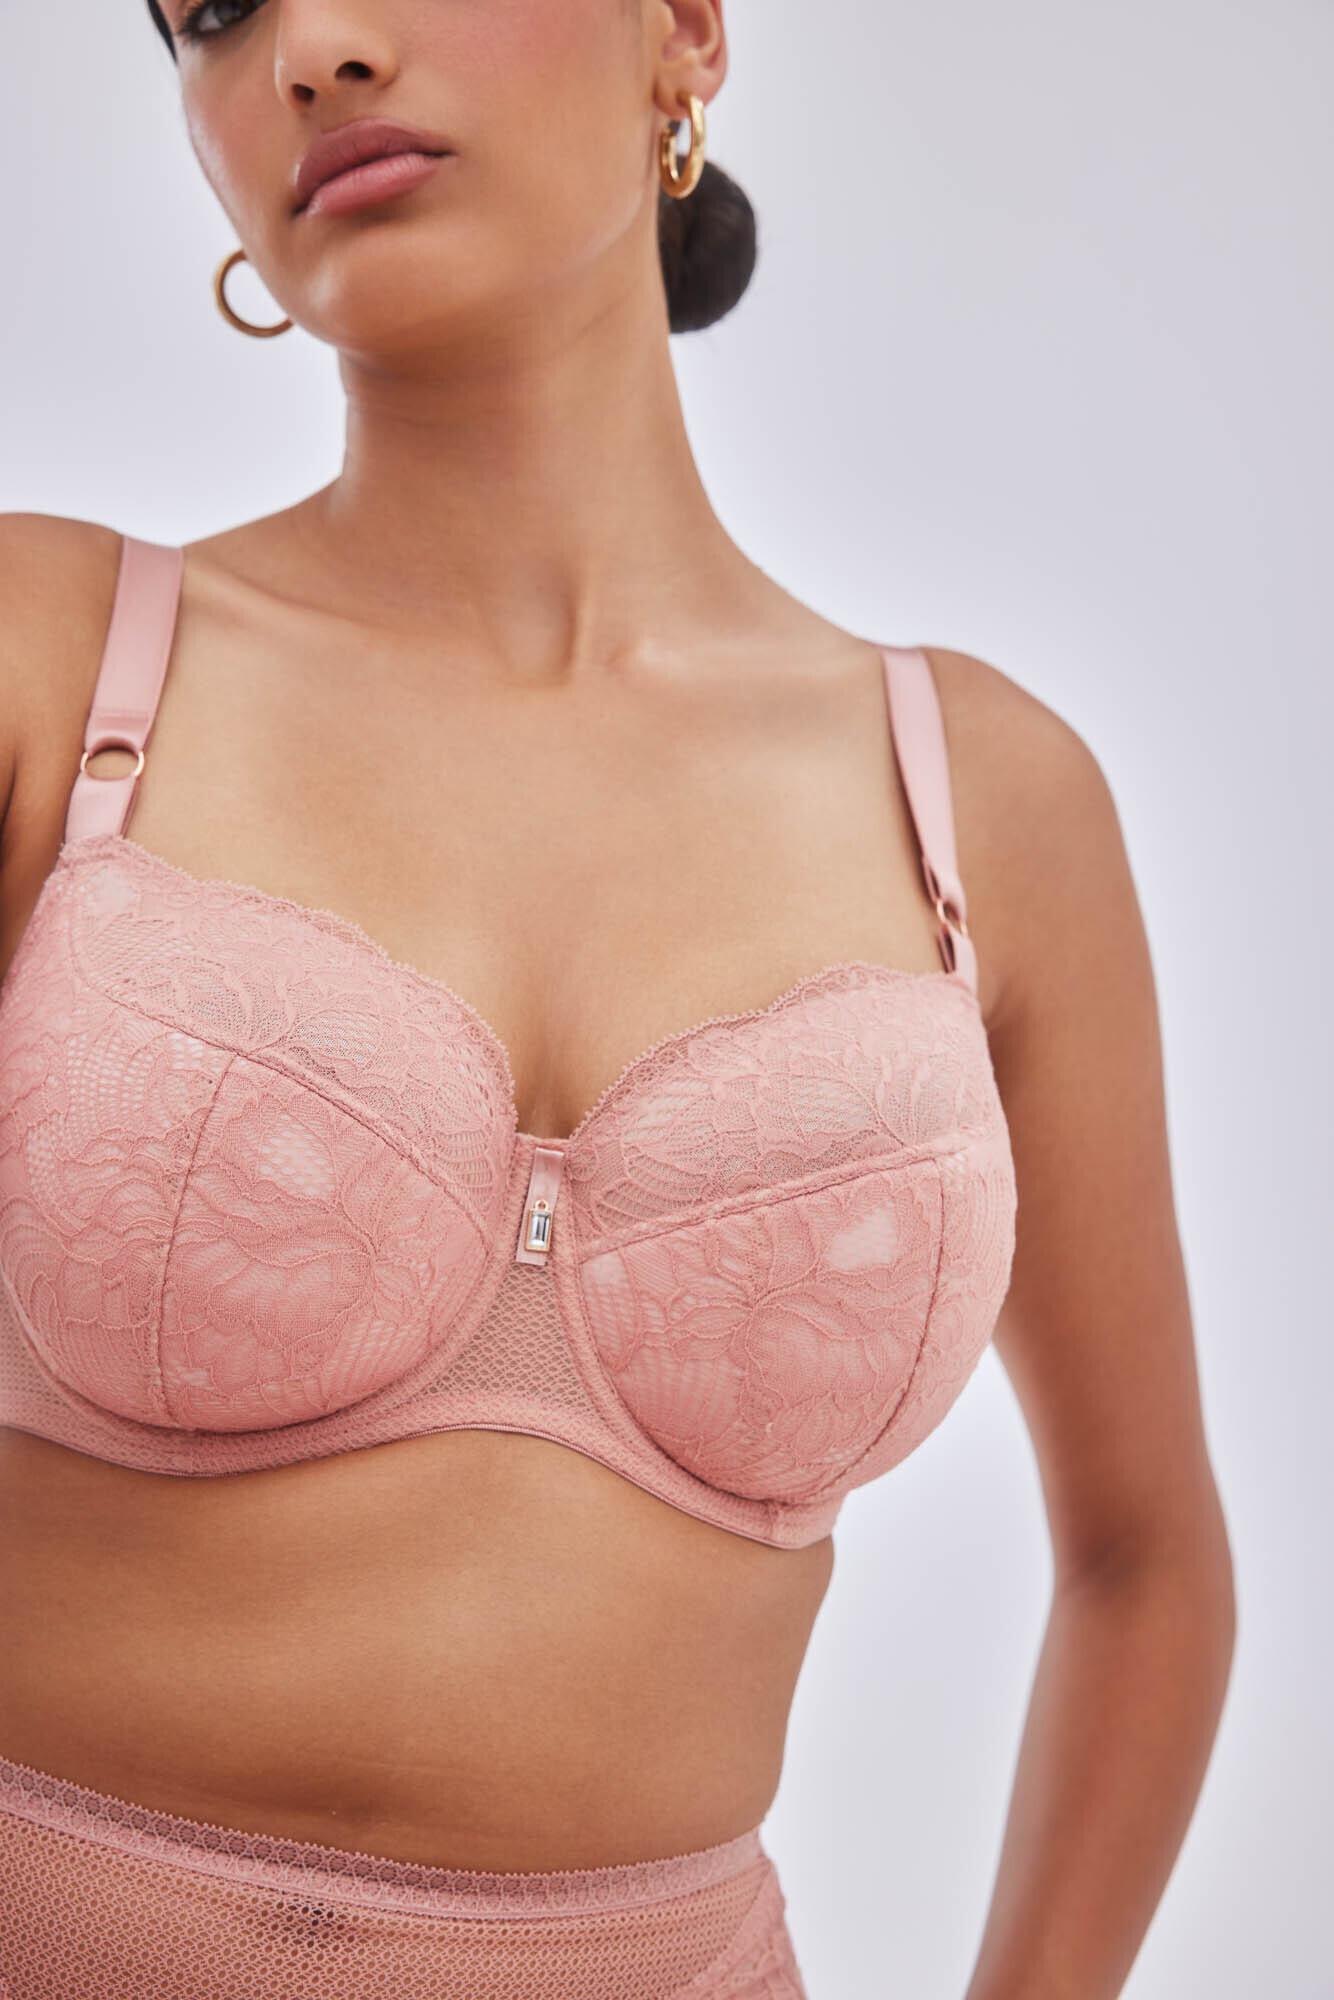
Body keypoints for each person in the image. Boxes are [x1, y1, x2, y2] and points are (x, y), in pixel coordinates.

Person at [0, 2, 1236, 1994]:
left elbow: (1142, 1562)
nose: (310, 49)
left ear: (681, 33)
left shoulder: (982, 801)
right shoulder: (52, 661)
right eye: (211, 10)